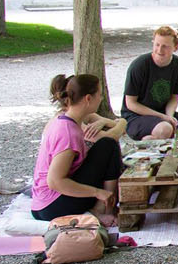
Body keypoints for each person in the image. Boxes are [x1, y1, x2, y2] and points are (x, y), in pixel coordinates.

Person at [31, 74, 123, 224]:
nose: (101, 99)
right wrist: (98, 192)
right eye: (99, 95)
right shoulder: (67, 132)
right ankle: (102, 210)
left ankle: (103, 207)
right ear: (88, 98)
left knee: (106, 146)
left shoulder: (69, 120)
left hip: (46, 203)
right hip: (51, 206)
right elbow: (55, 181)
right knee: (109, 144)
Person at [121, 25, 178, 141]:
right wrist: (162, 117)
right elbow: (130, 104)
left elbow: (174, 98)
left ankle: (168, 147)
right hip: (136, 115)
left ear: (176, 47)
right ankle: (149, 144)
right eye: (157, 45)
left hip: (163, 112)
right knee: (165, 129)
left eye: (165, 46)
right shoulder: (139, 66)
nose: (159, 50)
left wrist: (169, 116)